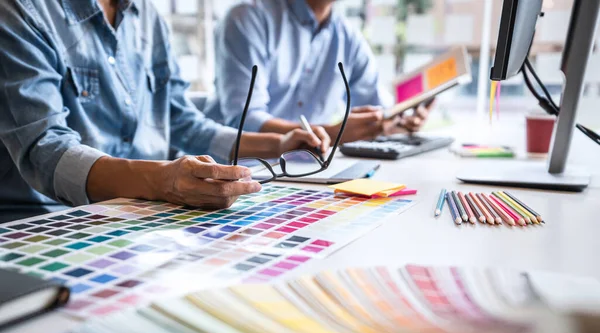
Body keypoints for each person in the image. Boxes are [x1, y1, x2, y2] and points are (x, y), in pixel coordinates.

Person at [0, 0, 330, 213]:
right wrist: (163, 181)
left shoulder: (148, 17)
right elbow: (45, 150)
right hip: (47, 220)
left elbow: (183, 121)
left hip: (144, 212)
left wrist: (279, 144)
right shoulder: (21, 10)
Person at [204, 0, 433, 144]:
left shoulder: (348, 37)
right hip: (238, 170)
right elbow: (243, 120)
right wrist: (331, 133)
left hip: (308, 171)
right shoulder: (247, 18)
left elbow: (378, 108)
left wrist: (401, 120)